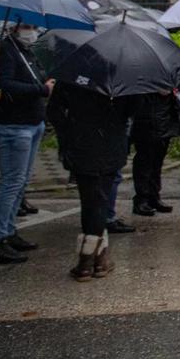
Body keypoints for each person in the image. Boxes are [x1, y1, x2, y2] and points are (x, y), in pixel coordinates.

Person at [46, 83, 134, 280]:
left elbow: (54, 111)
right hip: (110, 144)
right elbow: (136, 110)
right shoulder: (120, 76)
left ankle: (95, 257)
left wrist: (70, 130)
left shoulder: (73, 75)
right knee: (99, 200)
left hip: (81, 144)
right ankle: (88, 259)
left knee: (90, 200)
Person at [0, 25, 52, 265]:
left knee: (20, 182)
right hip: (13, 126)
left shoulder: (26, 51)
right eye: (26, 27)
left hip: (32, 123)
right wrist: (41, 89)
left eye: (33, 27)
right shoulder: (4, 52)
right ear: (13, 27)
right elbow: (5, 85)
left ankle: (8, 231)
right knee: (11, 183)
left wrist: (44, 83)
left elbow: (37, 78)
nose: (30, 32)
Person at [130, 91, 180, 216]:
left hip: (163, 122)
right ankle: (142, 198)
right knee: (144, 162)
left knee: (157, 163)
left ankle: (153, 196)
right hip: (146, 122)